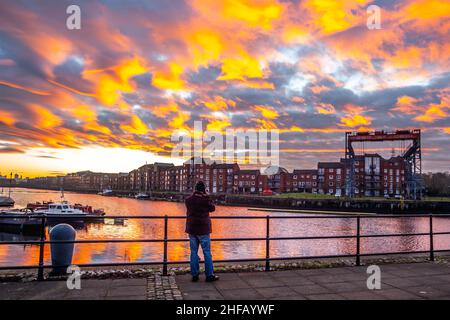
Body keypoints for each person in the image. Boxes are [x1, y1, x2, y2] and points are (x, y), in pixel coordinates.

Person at [185, 181, 219, 282]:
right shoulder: (205, 200)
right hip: (203, 229)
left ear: (195, 189)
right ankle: (209, 275)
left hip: (192, 229)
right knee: (207, 252)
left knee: (193, 252)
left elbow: (192, 203)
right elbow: (212, 208)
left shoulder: (188, 200)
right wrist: (207, 196)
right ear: (204, 190)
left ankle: (195, 275)